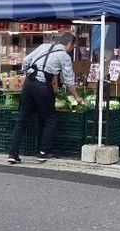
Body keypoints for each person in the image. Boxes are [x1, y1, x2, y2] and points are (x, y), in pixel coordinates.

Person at [9, 32, 82, 164]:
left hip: (28, 84)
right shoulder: (64, 56)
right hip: (42, 87)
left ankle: (13, 153)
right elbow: (68, 80)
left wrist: (29, 73)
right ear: (69, 44)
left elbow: (26, 61)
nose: (72, 49)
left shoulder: (44, 46)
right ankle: (44, 151)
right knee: (50, 119)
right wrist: (76, 96)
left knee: (22, 119)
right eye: (73, 46)